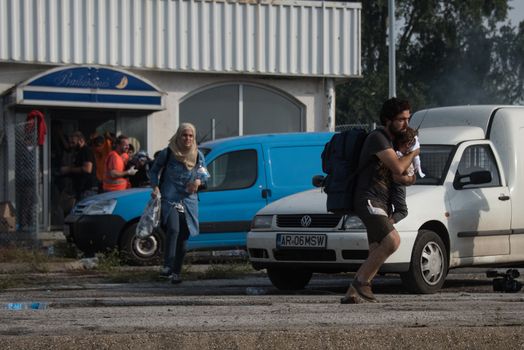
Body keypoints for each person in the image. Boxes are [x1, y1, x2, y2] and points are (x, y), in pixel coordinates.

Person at [341, 97, 419, 304]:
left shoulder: (393, 143)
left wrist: (409, 174)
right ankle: (361, 281)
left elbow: (403, 178)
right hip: (368, 199)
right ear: (387, 119)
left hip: (381, 202)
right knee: (392, 241)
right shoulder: (378, 138)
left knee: (376, 248)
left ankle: (352, 293)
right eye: (402, 119)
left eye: (408, 119)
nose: (406, 124)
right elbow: (398, 168)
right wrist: (414, 153)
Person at [149, 123, 207, 284]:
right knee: (173, 229)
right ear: (178, 136)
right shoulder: (168, 152)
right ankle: (167, 266)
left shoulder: (197, 154)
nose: (187, 138)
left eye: (190, 136)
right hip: (170, 199)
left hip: (189, 201)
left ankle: (176, 272)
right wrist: (155, 187)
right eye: (184, 135)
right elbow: (153, 170)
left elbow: (204, 173)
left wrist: (197, 181)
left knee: (184, 237)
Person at [388, 126, 419, 225]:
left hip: (399, 185)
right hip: (398, 185)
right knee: (402, 211)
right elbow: (401, 170)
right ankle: (388, 224)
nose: (410, 148)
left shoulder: (398, 153)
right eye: (409, 144)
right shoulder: (398, 155)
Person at [60, 131, 98, 201]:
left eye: (73, 143)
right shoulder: (79, 152)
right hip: (81, 189)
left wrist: (69, 169)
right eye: (70, 143)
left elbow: (87, 169)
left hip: (88, 190)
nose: (71, 145)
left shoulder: (86, 151)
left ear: (81, 141)